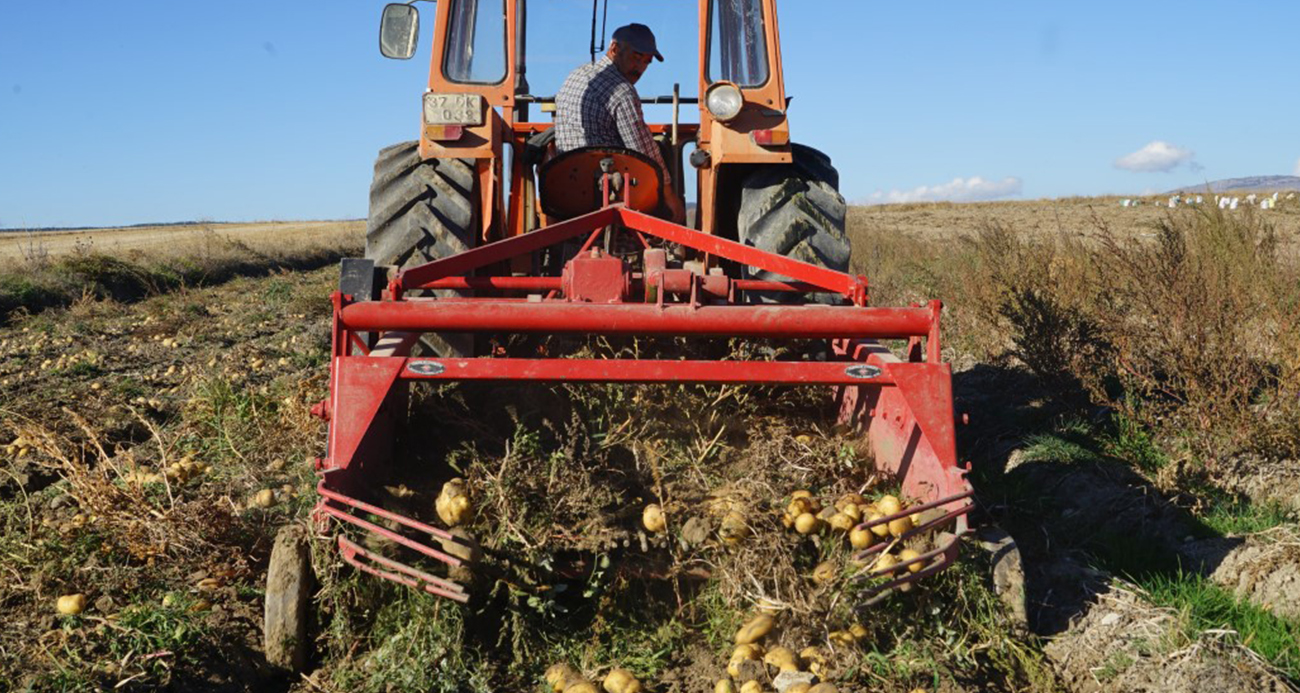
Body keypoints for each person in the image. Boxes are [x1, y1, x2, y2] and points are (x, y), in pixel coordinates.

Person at [554, 23, 686, 224]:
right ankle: (671, 242)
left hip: (565, 186)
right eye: (636, 58)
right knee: (659, 152)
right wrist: (670, 196)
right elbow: (642, 150)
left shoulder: (574, 76)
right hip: (601, 186)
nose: (640, 68)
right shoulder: (622, 91)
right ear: (614, 49)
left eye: (646, 62)